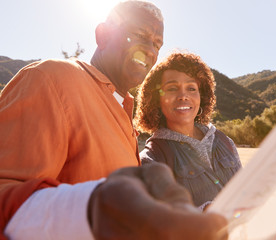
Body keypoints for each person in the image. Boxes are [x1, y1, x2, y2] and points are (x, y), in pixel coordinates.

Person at [0, 1, 228, 239]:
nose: (150, 50)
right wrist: (91, 211)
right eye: (139, 35)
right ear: (103, 35)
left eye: (157, 43)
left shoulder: (124, 111)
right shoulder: (51, 79)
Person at [135, 52, 242, 210]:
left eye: (191, 88)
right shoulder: (152, 160)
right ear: (156, 99)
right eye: (172, 88)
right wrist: (203, 213)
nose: (183, 96)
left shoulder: (225, 142)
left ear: (202, 96)